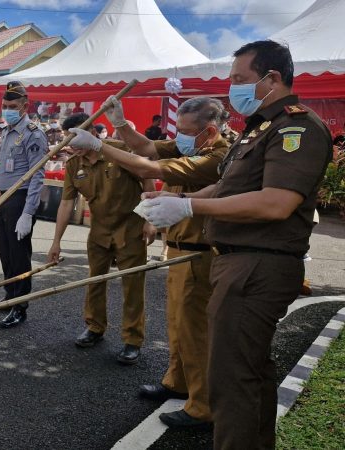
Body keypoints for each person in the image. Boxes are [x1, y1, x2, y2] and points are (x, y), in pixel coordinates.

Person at [140, 40, 332, 449]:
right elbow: (225, 185)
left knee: (230, 379)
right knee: (249, 372)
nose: (232, 88)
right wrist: (173, 202)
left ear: (272, 78)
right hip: (237, 263)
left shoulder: (295, 127)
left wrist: (190, 206)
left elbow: (278, 202)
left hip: (258, 265)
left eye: (240, 79)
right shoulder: (260, 129)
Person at [69, 96, 231, 428]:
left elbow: (148, 167)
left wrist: (99, 144)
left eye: (186, 131)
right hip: (178, 248)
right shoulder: (190, 147)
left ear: (210, 131)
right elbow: (147, 148)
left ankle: (201, 405)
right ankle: (177, 382)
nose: (179, 137)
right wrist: (120, 125)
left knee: (194, 329)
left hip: (199, 251)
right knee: (176, 323)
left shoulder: (217, 156)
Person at [49, 113, 154, 365]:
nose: (71, 143)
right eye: (68, 137)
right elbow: (66, 203)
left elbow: (147, 179)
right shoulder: (74, 163)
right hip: (99, 231)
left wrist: (151, 220)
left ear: (93, 133)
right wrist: (56, 241)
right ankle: (95, 327)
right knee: (95, 280)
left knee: (132, 285)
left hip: (130, 229)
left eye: (76, 136)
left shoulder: (119, 151)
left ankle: (132, 339)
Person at [0, 81, 47, 328]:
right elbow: (2, 165)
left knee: (19, 256)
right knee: (5, 252)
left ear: (25, 106)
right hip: (3, 198)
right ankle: (9, 296)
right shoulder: (7, 131)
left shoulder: (33, 134)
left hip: (19, 199)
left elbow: (37, 175)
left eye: (12, 106)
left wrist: (28, 212)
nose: (7, 110)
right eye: (5, 106)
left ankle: (20, 306)